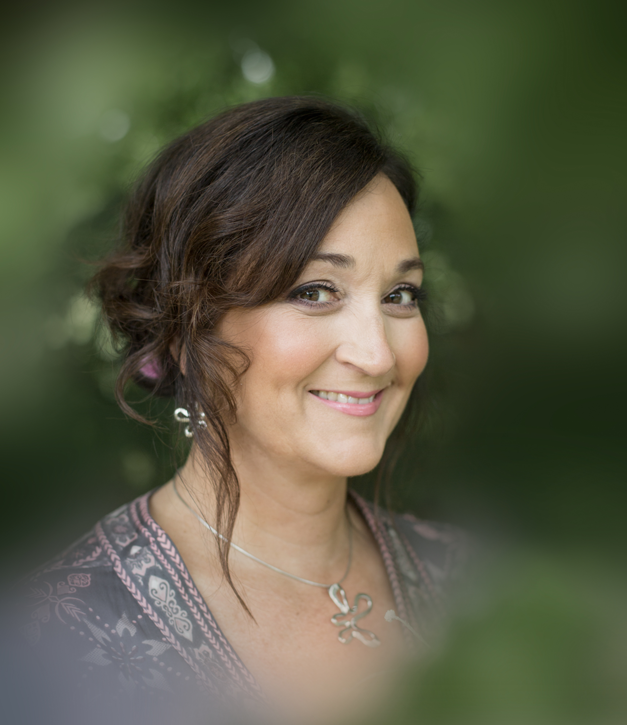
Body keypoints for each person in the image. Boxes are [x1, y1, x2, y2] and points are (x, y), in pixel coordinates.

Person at [14, 97, 466, 724]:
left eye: (400, 294)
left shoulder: (475, 584)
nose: (377, 354)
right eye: (314, 291)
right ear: (184, 327)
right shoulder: (52, 647)